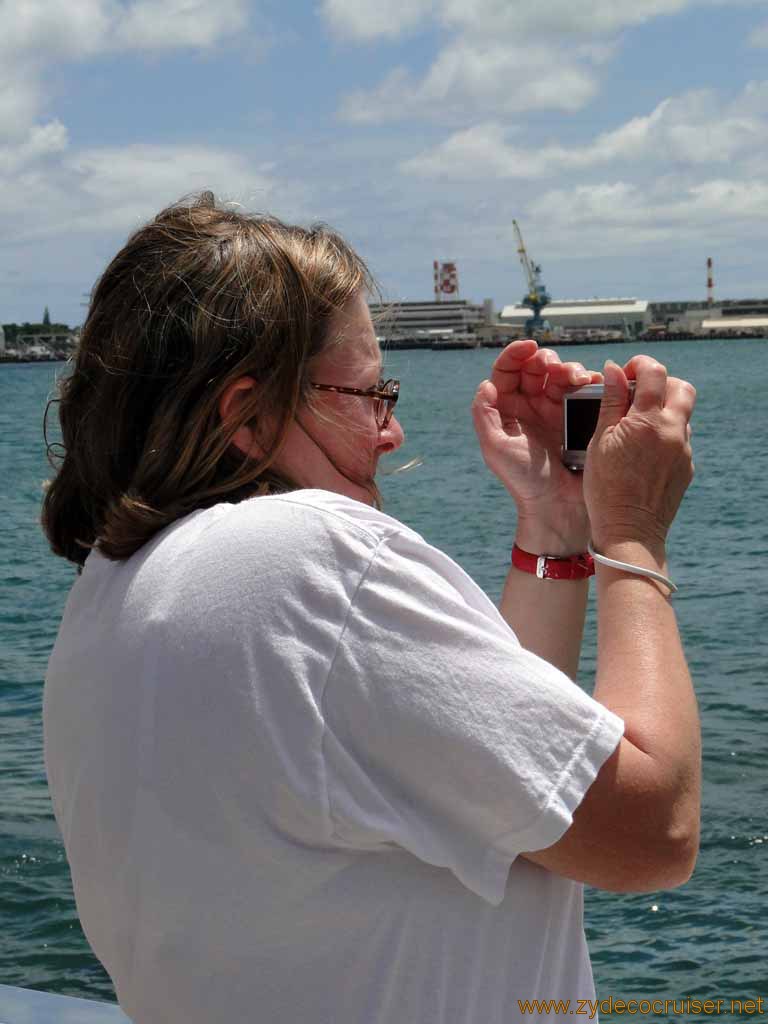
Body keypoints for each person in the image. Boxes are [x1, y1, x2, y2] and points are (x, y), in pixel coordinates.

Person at [42, 192, 700, 1024]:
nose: (390, 433)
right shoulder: (306, 561)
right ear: (247, 415)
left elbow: (521, 782)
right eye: (367, 392)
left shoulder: (115, 593)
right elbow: (653, 830)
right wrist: (633, 533)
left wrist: (557, 528)